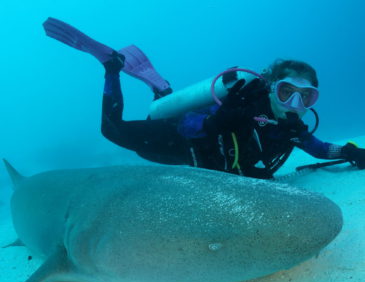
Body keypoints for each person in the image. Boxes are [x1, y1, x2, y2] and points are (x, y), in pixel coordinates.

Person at [43, 17, 365, 179]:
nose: (294, 104)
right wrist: (214, 122)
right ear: (271, 87)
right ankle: (111, 67)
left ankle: (162, 90)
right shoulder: (245, 102)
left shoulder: (292, 127)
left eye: (305, 97)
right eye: (286, 92)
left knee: (159, 124)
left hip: (201, 168)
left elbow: (320, 148)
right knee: (111, 131)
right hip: (181, 144)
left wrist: (352, 151)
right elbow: (187, 124)